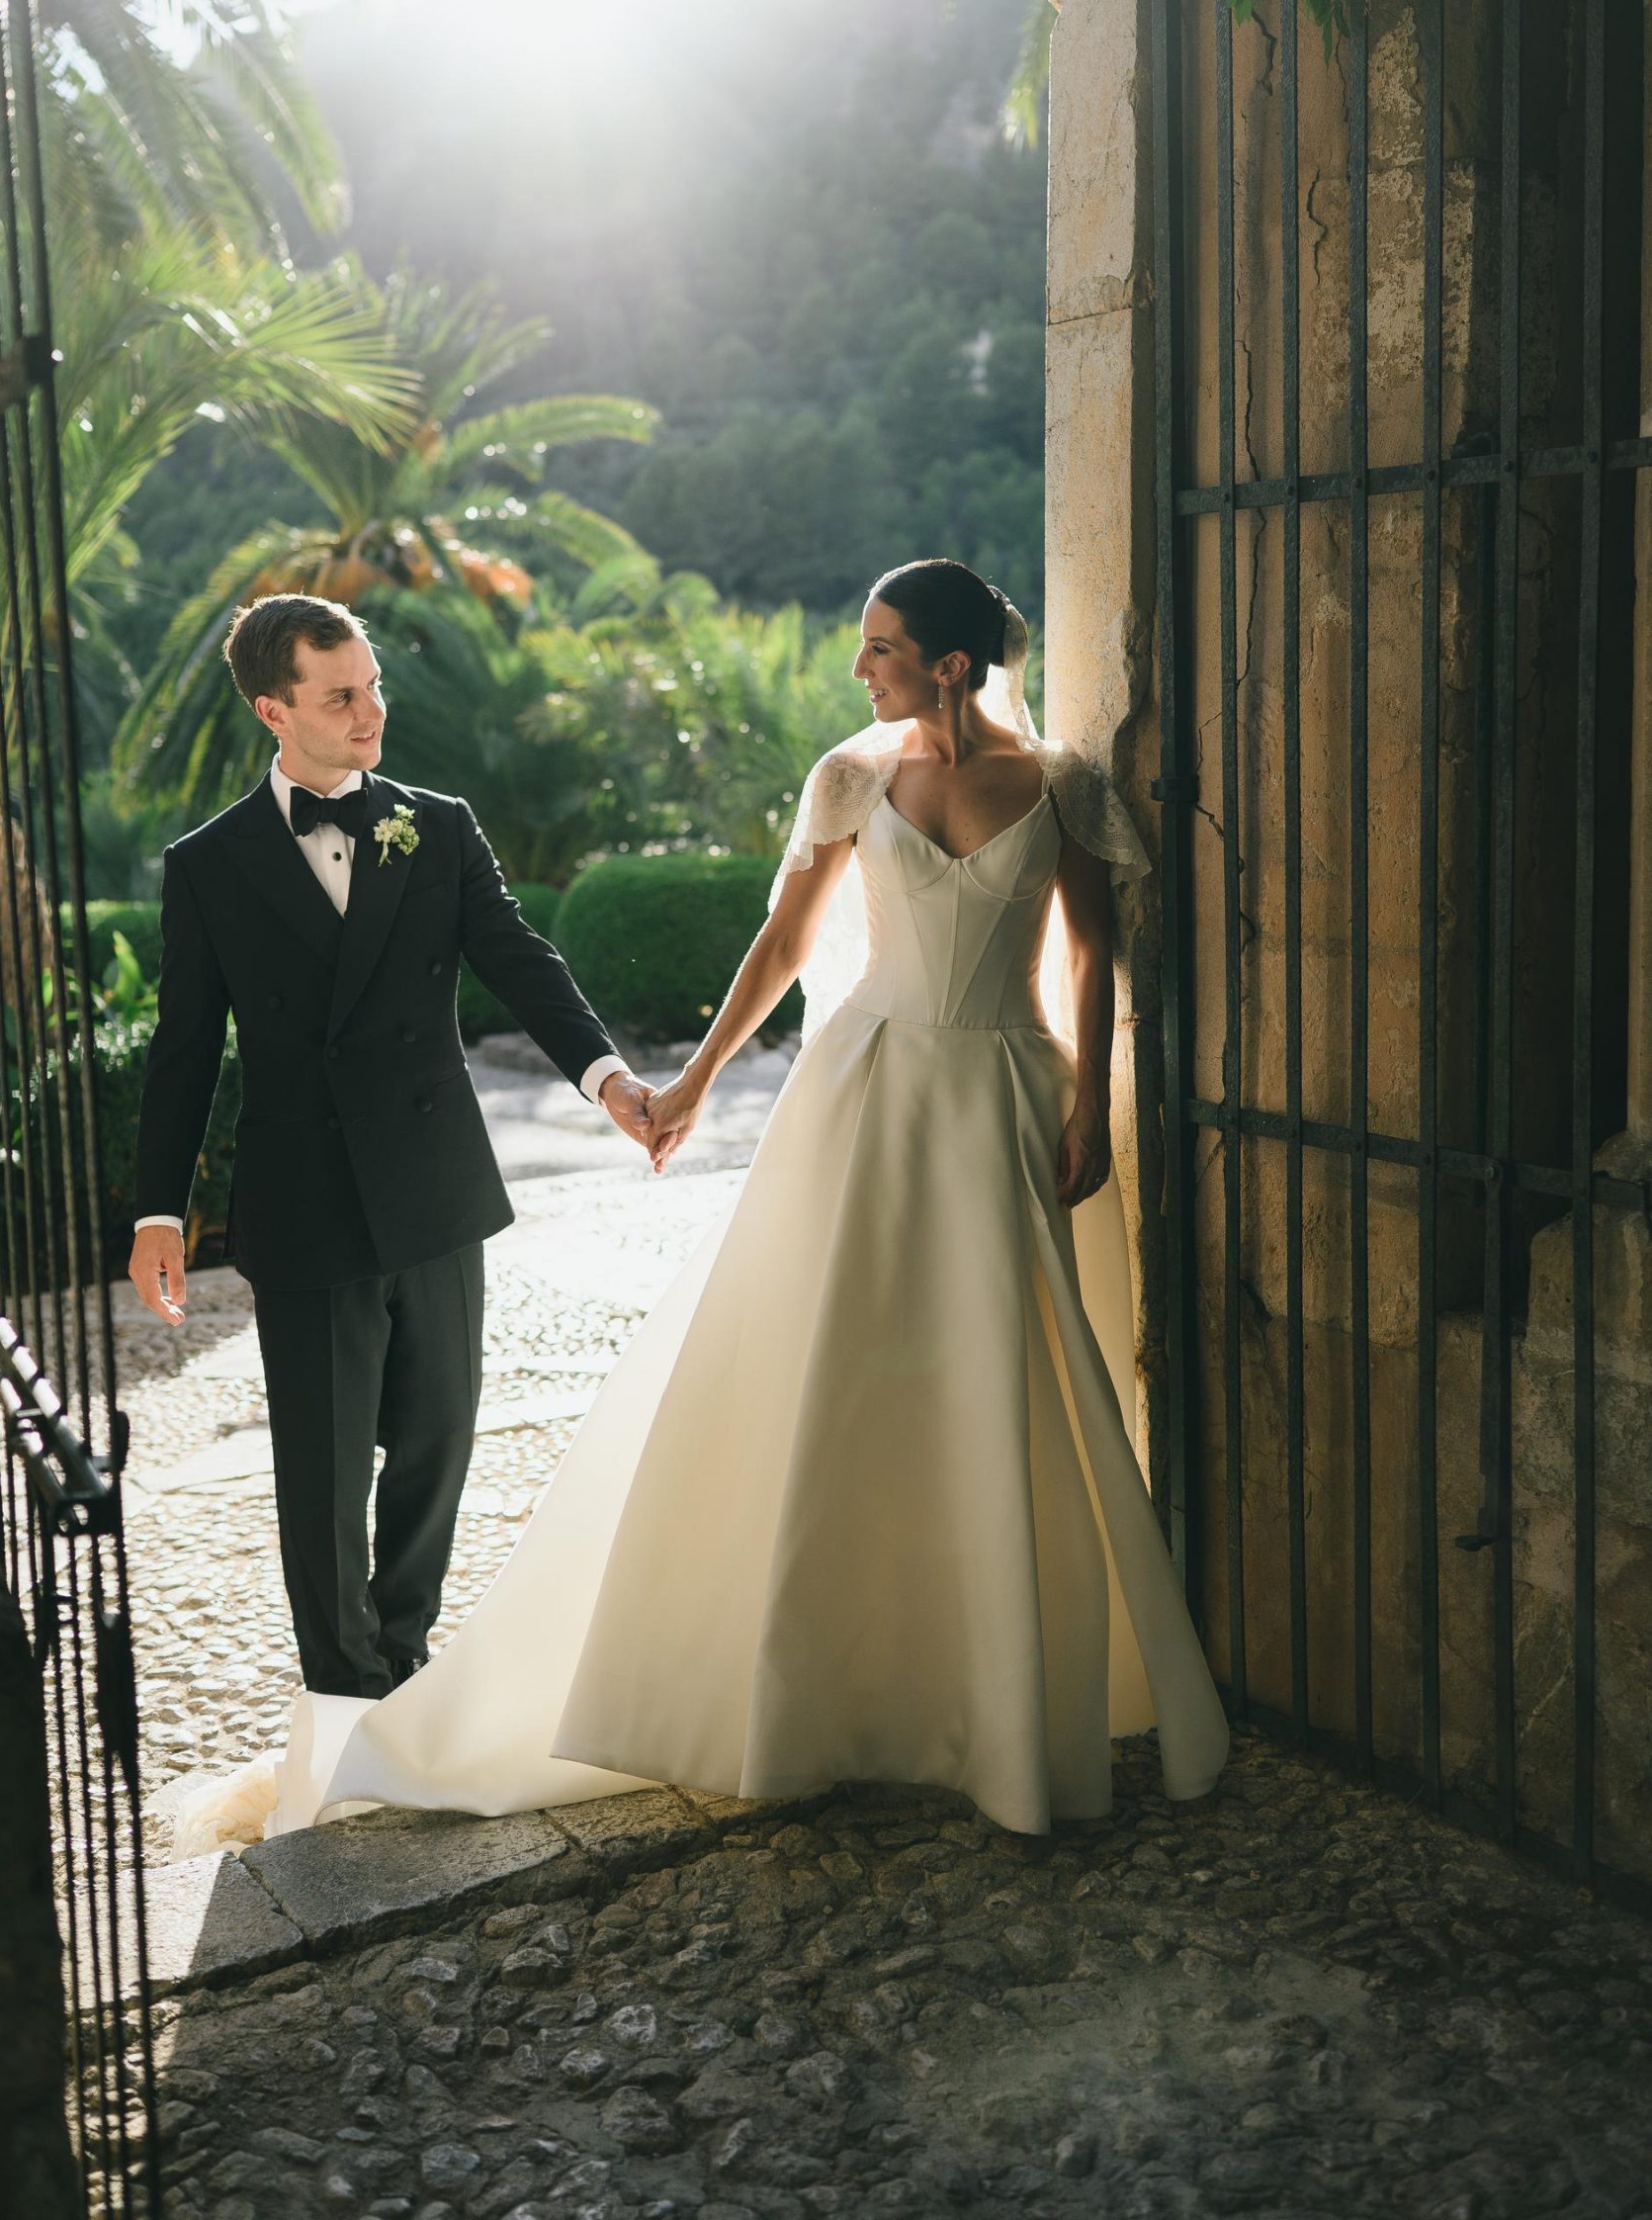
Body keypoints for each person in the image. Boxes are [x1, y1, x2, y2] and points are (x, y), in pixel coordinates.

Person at [179, 558, 1229, 1853]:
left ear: (949, 664)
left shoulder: (1058, 787)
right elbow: (785, 945)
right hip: (861, 1092)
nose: (859, 670)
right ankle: (784, 1689)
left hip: (1004, 1092)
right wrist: (681, 1084)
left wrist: (1082, 1107)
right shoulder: (850, 781)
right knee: (824, 1371)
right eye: (862, 646)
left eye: (881, 648)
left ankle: (991, 1692)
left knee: (1003, 1376)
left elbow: (1090, 947)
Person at [131, 592, 657, 1707]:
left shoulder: (440, 824)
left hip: (434, 1183)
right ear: (275, 709)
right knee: (321, 1469)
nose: (371, 711)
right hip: (306, 1195)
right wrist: (158, 1212)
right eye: (341, 695)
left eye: (373, 686)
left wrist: (605, 1075)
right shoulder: (209, 865)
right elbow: (183, 1050)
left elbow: (519, 959)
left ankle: (404, 1652)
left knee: (436, 1439)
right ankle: (344, 1685)